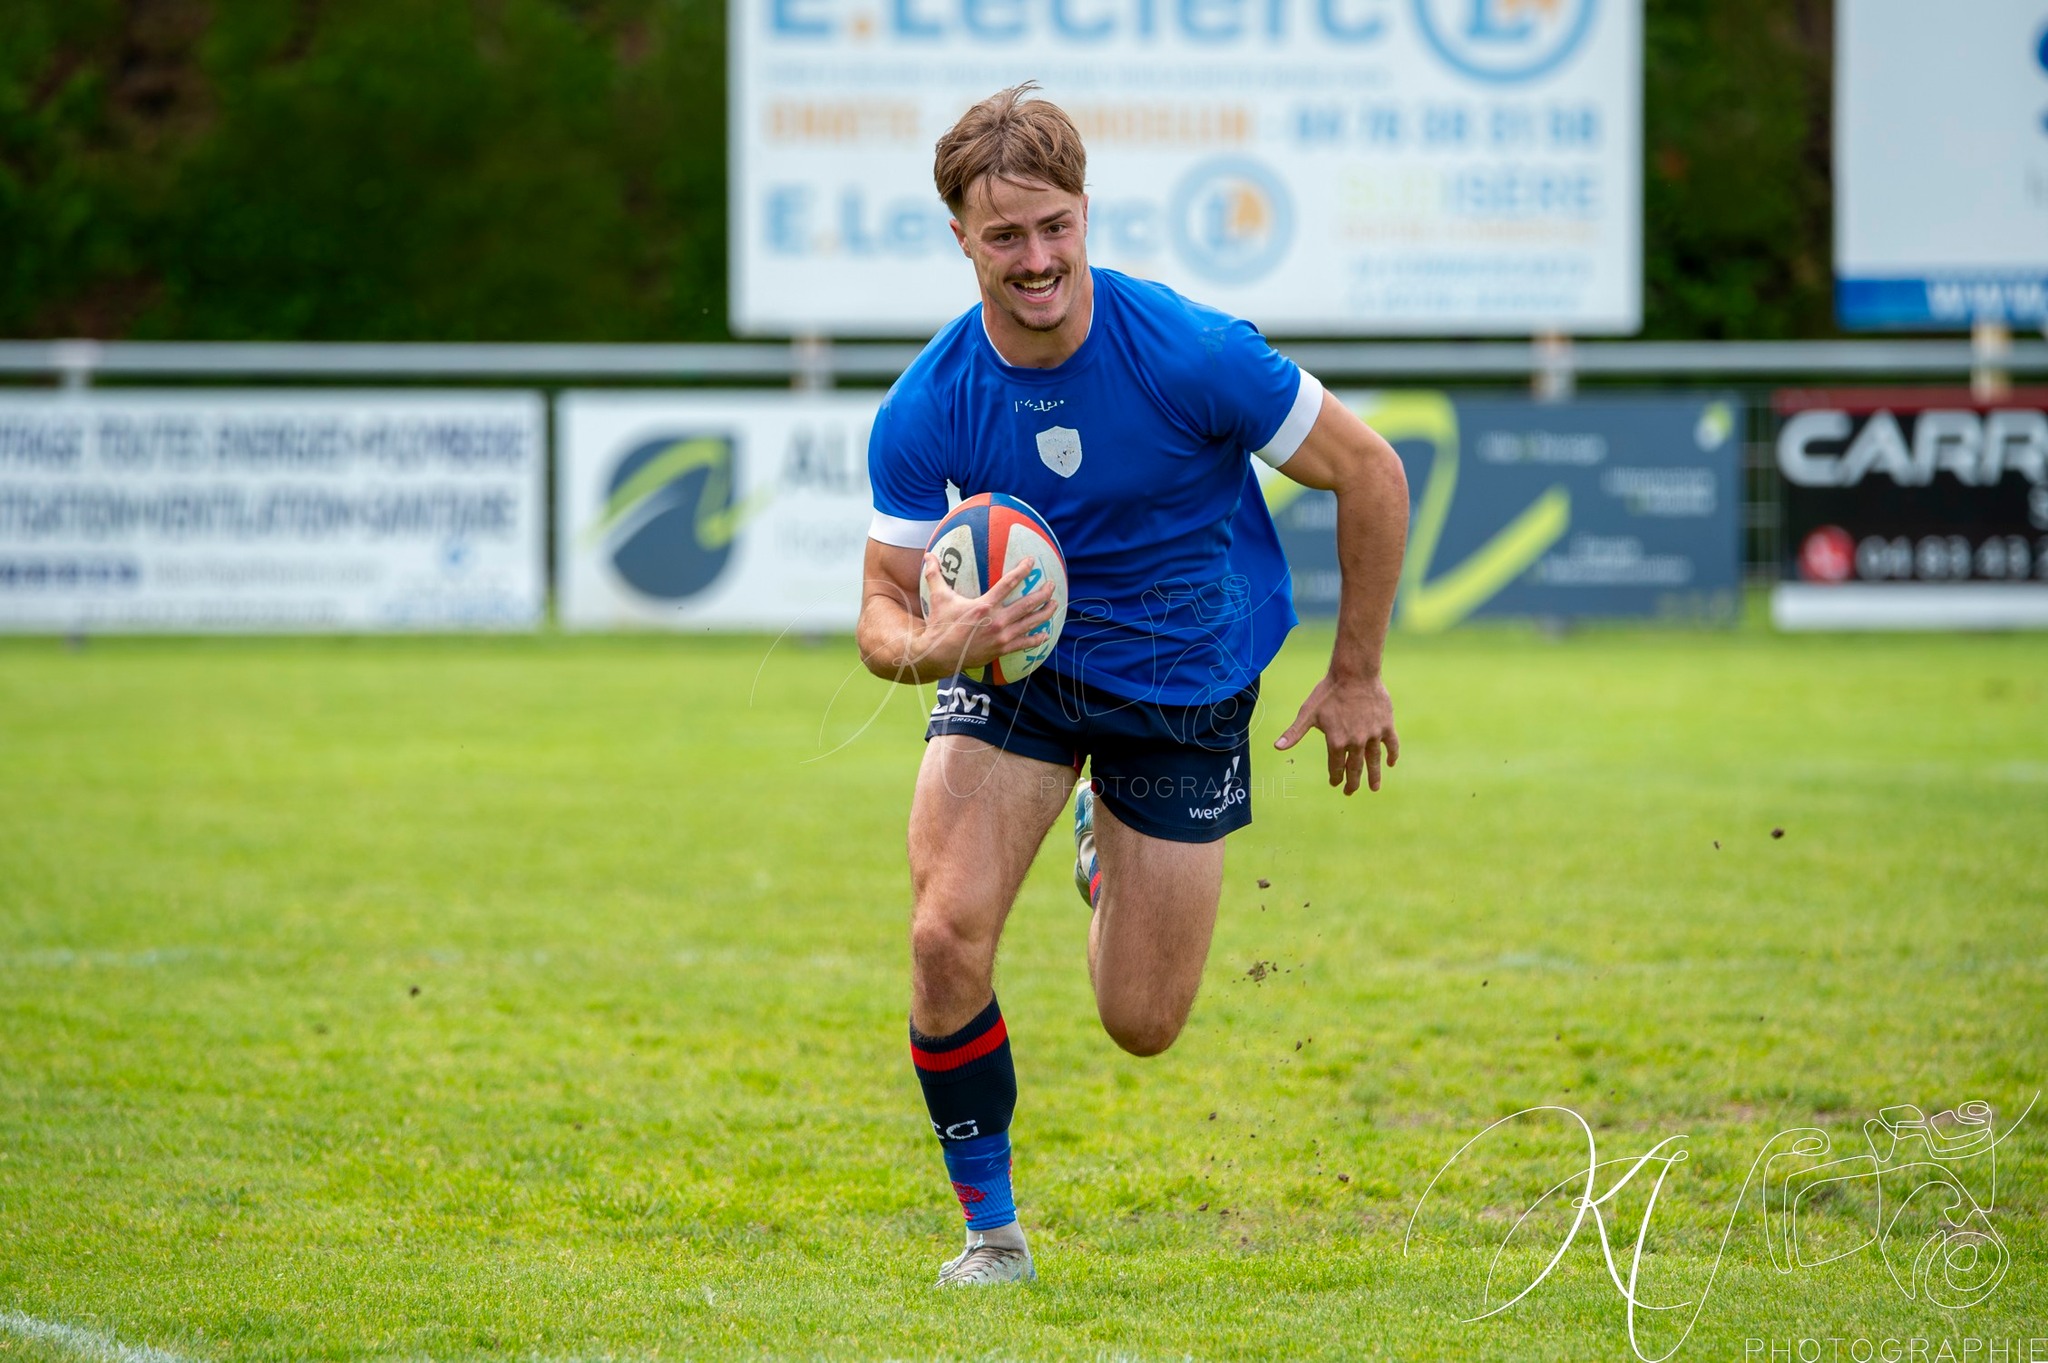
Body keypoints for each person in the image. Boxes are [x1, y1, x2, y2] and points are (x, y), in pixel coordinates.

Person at [855, 84, 1410, 1288]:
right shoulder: (926, 403)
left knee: (1141, 1022)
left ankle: (1102, 852)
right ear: (959, 237)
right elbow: (877, 616)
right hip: (1015, 674)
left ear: (1086, 212)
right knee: (944, 936)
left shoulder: (1191, 352)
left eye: (1054, 225)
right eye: (1003, 236)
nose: (1036, 257)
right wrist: (939, 645)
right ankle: (990, 1233)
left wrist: (1355, 672)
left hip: (1184, 678)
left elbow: (1368, 472)